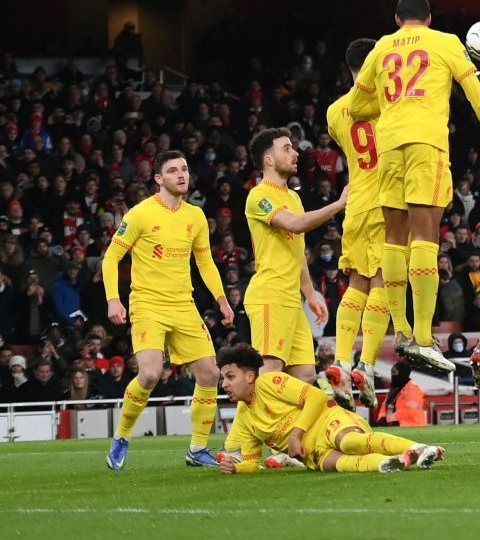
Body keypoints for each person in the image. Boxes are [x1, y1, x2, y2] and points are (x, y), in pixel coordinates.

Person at [351, 0, 480, 374]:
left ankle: (400, 330)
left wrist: (390, 107)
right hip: (425, 144)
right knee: (424, 237)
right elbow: (476, 98)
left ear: (397, 19)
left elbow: (355, 107)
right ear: (429, 18)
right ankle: (421, 335)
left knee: (393, 239)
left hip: (388, 147)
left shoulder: (381, 48)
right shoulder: (445, 43)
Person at [100, 150, 234, 470]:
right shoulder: (140, 214)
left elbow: (205, 262)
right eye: (173, 171)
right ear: (159, 179)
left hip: (184, 305)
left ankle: (197, 449)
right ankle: (121, 438)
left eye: (184, 169)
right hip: (148, 304)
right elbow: (110, 259)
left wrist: (222, 299)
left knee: (210, 374)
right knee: (148, 374)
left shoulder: (196, 216)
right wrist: (113, 299)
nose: (181, 175)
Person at [213, 344, 441, 474]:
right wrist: (236, 469)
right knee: (342, 465)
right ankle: (389, 463)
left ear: (250, 376)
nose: (224, 384)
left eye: (230, 377)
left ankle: (421, 448)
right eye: (223, 378)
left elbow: (316, 396)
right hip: (313, 454)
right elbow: (252, 462)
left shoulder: (268, 382)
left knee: (350, 443)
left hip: (328, 423)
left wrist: (295, 435)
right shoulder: (244, 417)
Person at [243, 127, 346, 391]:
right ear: (268, 159)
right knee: (270, 372)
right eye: (286, 148)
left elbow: (297, 250)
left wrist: (310, 294)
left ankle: (288, 432)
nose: (295, 153)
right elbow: (294, 225)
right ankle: (252, 432)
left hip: (291, 298)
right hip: (269, 294)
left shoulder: (293, 197)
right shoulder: (259, 195)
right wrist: (338, 204)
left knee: (305, 374)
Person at [321, 38, 384, 409]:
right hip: (386, 202)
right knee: (384, 284)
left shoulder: (334, 111)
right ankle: (368, 366)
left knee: (356, 284)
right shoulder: (387, 102)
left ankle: (342, 362)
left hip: (355, 203)